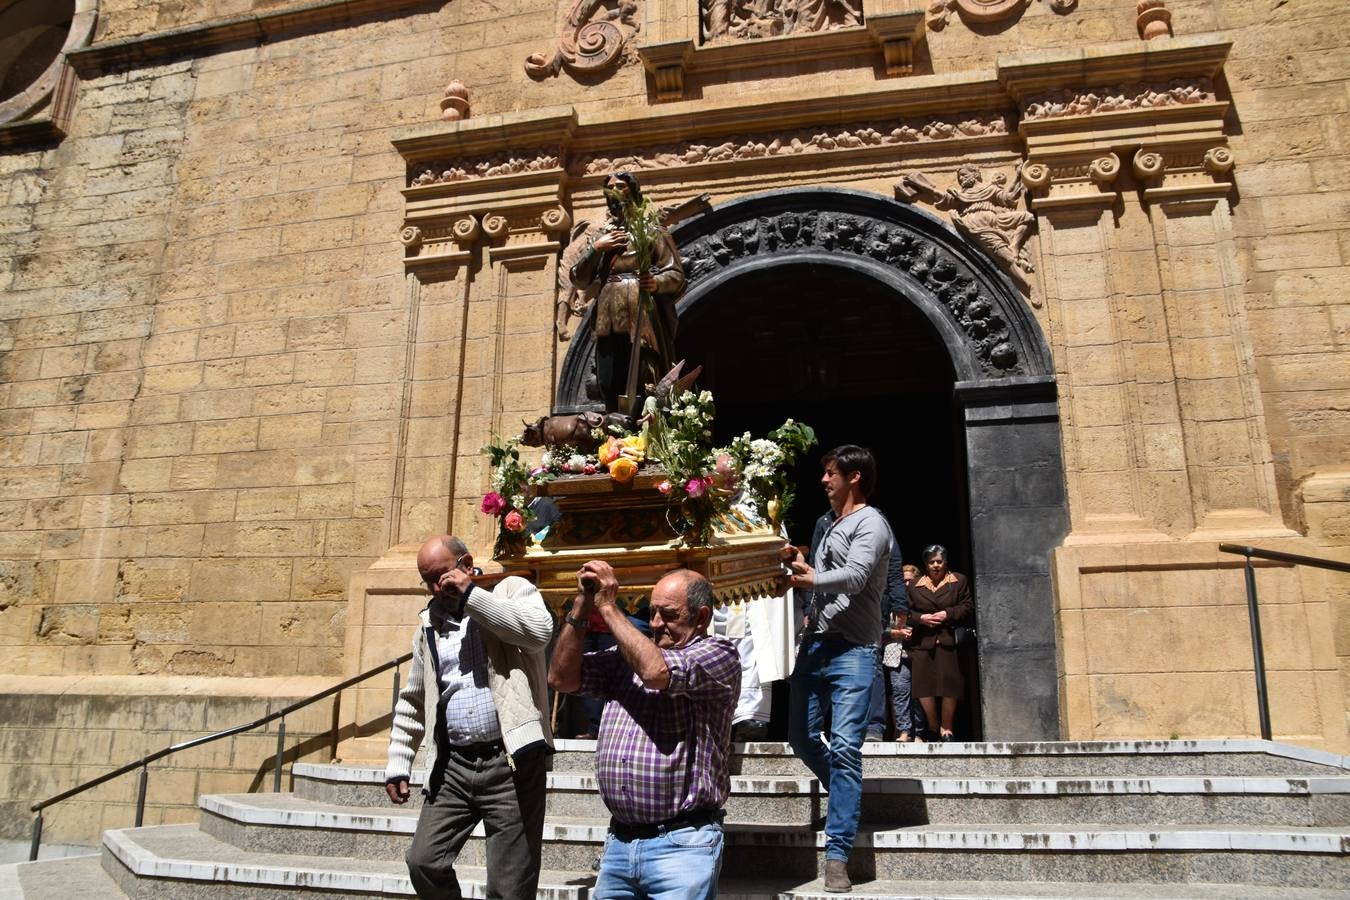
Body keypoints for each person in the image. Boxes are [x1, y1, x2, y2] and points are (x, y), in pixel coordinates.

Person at [548, 562, 740, 899]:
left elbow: (656, 671)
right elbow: (561, 678)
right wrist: (582, 604)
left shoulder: (718, 654)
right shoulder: (625, 657)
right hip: (620, 842)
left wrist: (607, 606)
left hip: (683, 844)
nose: (654, 623)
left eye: (667, 614)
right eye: (651, 612)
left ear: (702, 617)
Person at [385, 535, 554, 900]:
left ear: (466, 564)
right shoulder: (429, 624)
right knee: (424, 862)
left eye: (441, 575)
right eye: (427, 580)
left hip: (510, 764)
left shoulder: (511, 590)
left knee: (509, 888)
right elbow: (414, 698)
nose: (435, 587)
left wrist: (471, 596)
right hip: (454, 767)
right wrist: (399, 762)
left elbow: (539, 634)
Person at [784, 445, 893, 893]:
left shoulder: (872, 523)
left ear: (854, 477)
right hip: (815, 646)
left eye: (831, 473)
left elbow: (857, 575)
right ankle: (848, 793)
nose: (824, 481)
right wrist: (802, 566)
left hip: (854, 650)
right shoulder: (828, 525)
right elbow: (826, 578)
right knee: (801, 737)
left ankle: (838, 853)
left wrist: (810, 580)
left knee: (847, 748)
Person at [569, 171, 687, 414]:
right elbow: (579, 278)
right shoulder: (602, 236)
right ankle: (616, 434)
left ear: (633, 191)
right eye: (609, 188)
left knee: (646, 376)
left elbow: (676, 274)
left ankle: (649, 431)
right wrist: (596, 249)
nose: (614, 192)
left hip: (641, 315)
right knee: (608, 377)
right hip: (607, 317)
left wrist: (655, 282)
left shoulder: (652, 231)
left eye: (620, 186)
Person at [906, 544, 974, 742]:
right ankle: (933, 723)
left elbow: (967, 606)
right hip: (923, 641)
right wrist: (922, 618)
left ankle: (947, 728)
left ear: (945, 562)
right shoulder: (915, 584)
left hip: (948, 640)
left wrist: (948, 613)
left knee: (949, 686)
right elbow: (906, 612)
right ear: (926, 565)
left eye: (939, 561)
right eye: (931, 562)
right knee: (923, 687)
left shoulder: (958, 581)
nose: (936, 565)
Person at [882, 564, 920, 742]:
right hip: (896, 652)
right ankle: (904, 731)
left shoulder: (922, 600)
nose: (906, 584)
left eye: (910, 581)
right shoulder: (889, 601)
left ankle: (920, 732)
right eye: (903, 581)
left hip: (920, 652)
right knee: (900, 692)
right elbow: (879, 627)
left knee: (921, 695)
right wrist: (896, 632)